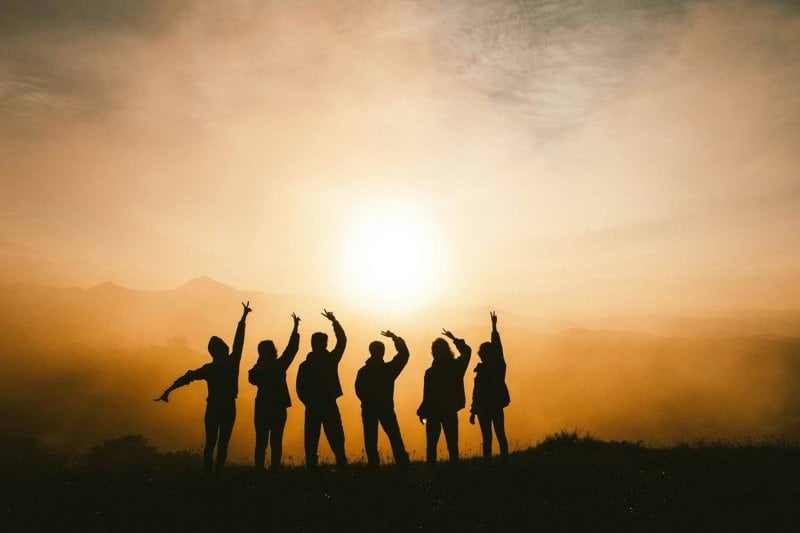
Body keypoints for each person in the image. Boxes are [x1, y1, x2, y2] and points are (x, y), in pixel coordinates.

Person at [155, 301, 252, 479]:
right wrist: (243, 318)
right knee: (223, 444)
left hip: (213, 406)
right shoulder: (232, 363)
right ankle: (217, 476)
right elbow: (239, 341)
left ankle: (209, 477)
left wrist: (168, 390)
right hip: (228, 406)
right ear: (223, 349)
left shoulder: (209, 369)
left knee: (210, 443)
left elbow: (187, 377)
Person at [248, 313, 301, 471]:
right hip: (278, 407)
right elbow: (292, 348)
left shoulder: (257, 370)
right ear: (273, 351)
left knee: (261, 441)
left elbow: (252, 379)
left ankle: (259, 470)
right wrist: (296, 328)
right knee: (276, 441)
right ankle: (275, 470)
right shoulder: (279, 366)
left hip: (262, 407)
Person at [296, 309, 348, 467]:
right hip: (328, 404)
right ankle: (341, 465)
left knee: (311, 439)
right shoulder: (330, 360)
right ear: (325, 344)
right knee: (336, 437)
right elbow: (342, 341)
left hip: (312, 406)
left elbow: (300, 388)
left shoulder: (306, 365)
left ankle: (312, 468)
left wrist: (308, 401)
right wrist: (334, 321)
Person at [354, 330, 410, 467]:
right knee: (394, 436)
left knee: (370, 439)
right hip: (386, 408)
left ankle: (373, 465)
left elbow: (358, 390)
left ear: (370, 352)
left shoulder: (363, 371)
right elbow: (404, 354)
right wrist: (395, 338)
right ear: (383, 352)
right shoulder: (388, 370)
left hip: (368, 408)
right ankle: (402, 463)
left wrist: (367, 401)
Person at [416, 329, 471, 464]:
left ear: (434, 353)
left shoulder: (430, 372)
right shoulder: (457, 367)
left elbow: (427, 395)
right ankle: (454, 472)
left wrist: (423, 411)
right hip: (450, 411)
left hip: (433, 413)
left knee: (431, 446)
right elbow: (467, 352)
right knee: (452, 445)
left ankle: (431, 473)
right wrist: (454, 339)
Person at [469, 311, 510, 462]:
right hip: (495, 406)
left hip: (484, 409)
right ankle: (505, 462)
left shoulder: (488, 369)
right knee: (500, 435)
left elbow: (477, 393)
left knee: (488, 438)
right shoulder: (499, 367)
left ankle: (488, 465)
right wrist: (493, 327)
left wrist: (473, 411)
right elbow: (498, 349)